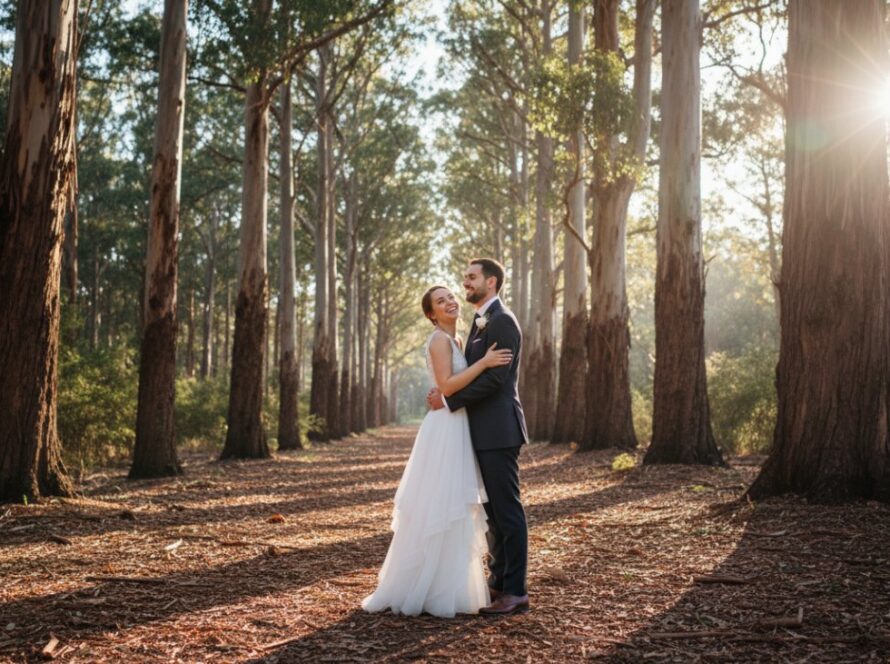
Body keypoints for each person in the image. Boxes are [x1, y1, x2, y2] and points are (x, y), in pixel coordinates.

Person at [362, 284, 513, 617]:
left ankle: (453, 584)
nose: (449, 302)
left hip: (459, 425)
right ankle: (424, 585)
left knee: (456, 503)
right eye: (440, 301)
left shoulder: (459, 340)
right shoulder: (439, 341)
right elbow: (446, 386)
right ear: (431, 314)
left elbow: (453, 387)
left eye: (450, 297)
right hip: (444, 428)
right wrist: (486, 362)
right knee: (440, 502)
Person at [427, 258, 530, 616]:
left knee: (508, 511)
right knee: (493, 515)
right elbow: (470, 371)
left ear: (492, 281)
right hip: (479, 432)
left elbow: (494, 379)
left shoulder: (502, 321)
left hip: (499, 430)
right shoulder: (478, 322)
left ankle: (516, 591)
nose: (465, 283)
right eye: (465, 278)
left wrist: (449, 400)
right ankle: (498, 582)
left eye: (471, 278)